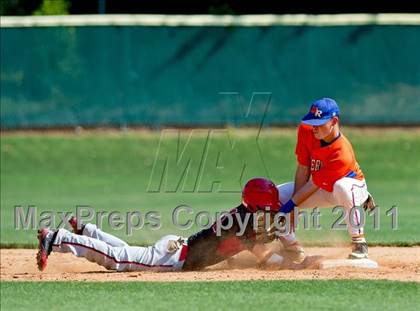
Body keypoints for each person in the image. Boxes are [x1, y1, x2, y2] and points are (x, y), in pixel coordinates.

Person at [36, 178, 295, 272]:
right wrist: (293, 261)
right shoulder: (242, 224)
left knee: (130, 254)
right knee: (118, 260)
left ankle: (87, 230)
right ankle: (57, 239)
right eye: (265, 209)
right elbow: (264, 258)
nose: (267, 214)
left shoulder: (241, 216)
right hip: (174, 258)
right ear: (254, 206)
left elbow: (236, 253)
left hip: (176, 249)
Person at [277, 98, 376, 259]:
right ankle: (292, 247)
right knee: (276, 195)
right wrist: (289, 208)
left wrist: (288, 208)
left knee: (342, 187)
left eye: (320, 123)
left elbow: (313, 184)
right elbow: (303, 168)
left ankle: (359, 242)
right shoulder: (306, 130)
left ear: (334, 121)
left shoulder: (341, 153)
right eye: (313, 122)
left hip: (348, 185)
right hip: (320, 187)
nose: (314, 127)